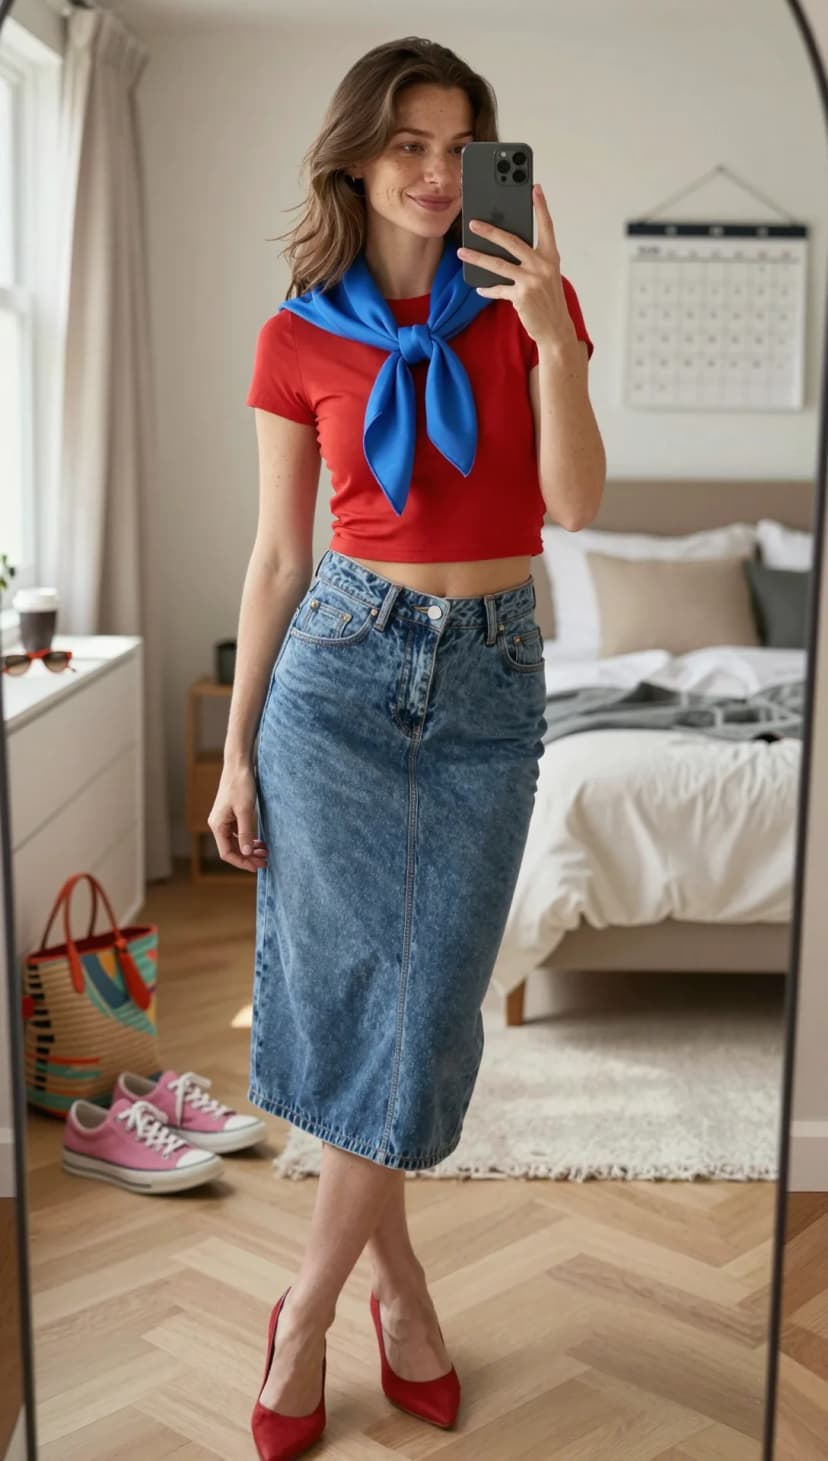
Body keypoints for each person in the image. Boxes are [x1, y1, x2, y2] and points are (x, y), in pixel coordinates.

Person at [209, 34, 605, 1461]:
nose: (438, 174)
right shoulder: (295, 337)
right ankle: (398, 1296)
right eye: (409, 146)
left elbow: (574, 500)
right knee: (346, 1008)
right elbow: (276, 558)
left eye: (460, 147)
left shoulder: (525, 307)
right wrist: (236, 751)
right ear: (358, 158)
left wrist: (554, 336)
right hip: (339, 676)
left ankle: (304, 1308)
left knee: (428, 1016)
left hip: (491, 682)